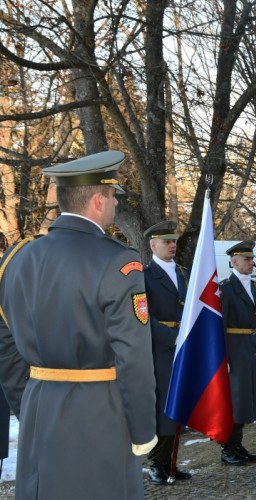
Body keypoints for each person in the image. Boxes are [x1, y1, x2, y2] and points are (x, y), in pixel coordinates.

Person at [0, 151, 157, 499]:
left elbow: (5, 345)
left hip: (38, 405)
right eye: (113, 195)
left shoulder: (16, 259)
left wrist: (27, 404)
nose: (116, 203)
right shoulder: (118, 261)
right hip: (99, 410)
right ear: (98, 201)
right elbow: (134, 357)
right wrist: (143, 430)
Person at [143, 220, 192, 483]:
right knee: (163, 405)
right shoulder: (145, 276)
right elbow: (143, 319)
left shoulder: (184, 273)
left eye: (174, 241)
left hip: (184, 345)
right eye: (167, 242)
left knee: (180, 403)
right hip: (161, 349)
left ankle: (171, 461)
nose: (172, 245)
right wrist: (174, 338)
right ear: (153, 245)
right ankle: (156, 463)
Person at [219, 240, 256, 465]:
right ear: (234, 262)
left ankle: (237, 444)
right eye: (247, 259)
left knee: (247, 398)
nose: (251, 262)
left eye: (252, 259)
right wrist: (224, 356)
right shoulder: (225, 289)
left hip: (252, 345)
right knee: (235, 399)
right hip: (235, 346)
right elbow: (220, 325)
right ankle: (227, 447)